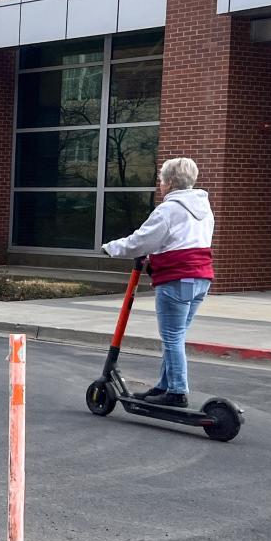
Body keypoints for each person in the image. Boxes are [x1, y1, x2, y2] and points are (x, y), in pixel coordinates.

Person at [102, 157, 214, 407]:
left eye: (161, 179)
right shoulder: (204, 208)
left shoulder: (169, 209)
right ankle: (165, 385)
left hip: (176, 279)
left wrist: (111, 248)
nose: (160, 184)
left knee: (172, 337)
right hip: (200, 278)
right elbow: (182, 241)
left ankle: (177, 391)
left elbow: (141, 241)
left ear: (171, 182)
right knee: (177, 336)